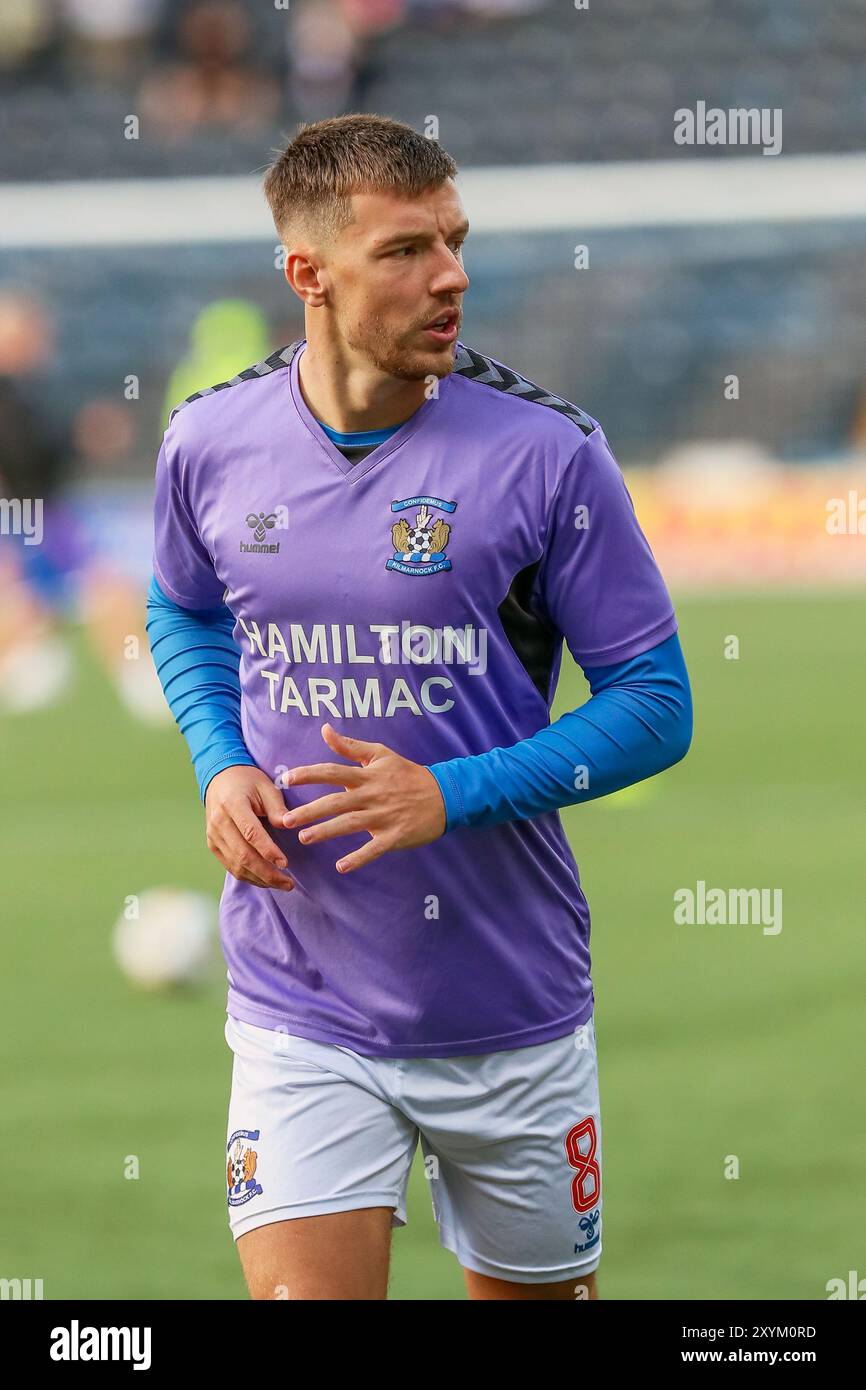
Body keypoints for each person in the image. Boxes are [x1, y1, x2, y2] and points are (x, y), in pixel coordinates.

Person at [146, 113, 692, 1301]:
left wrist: (451, 792)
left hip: (506, 1001)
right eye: (402, 250)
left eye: (454, 240)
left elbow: (656, 702)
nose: (448, 275)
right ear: (309, 274)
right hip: (302, 999)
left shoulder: (546, 453)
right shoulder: (208, 441)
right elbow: (182, 612)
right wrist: (218, 758)